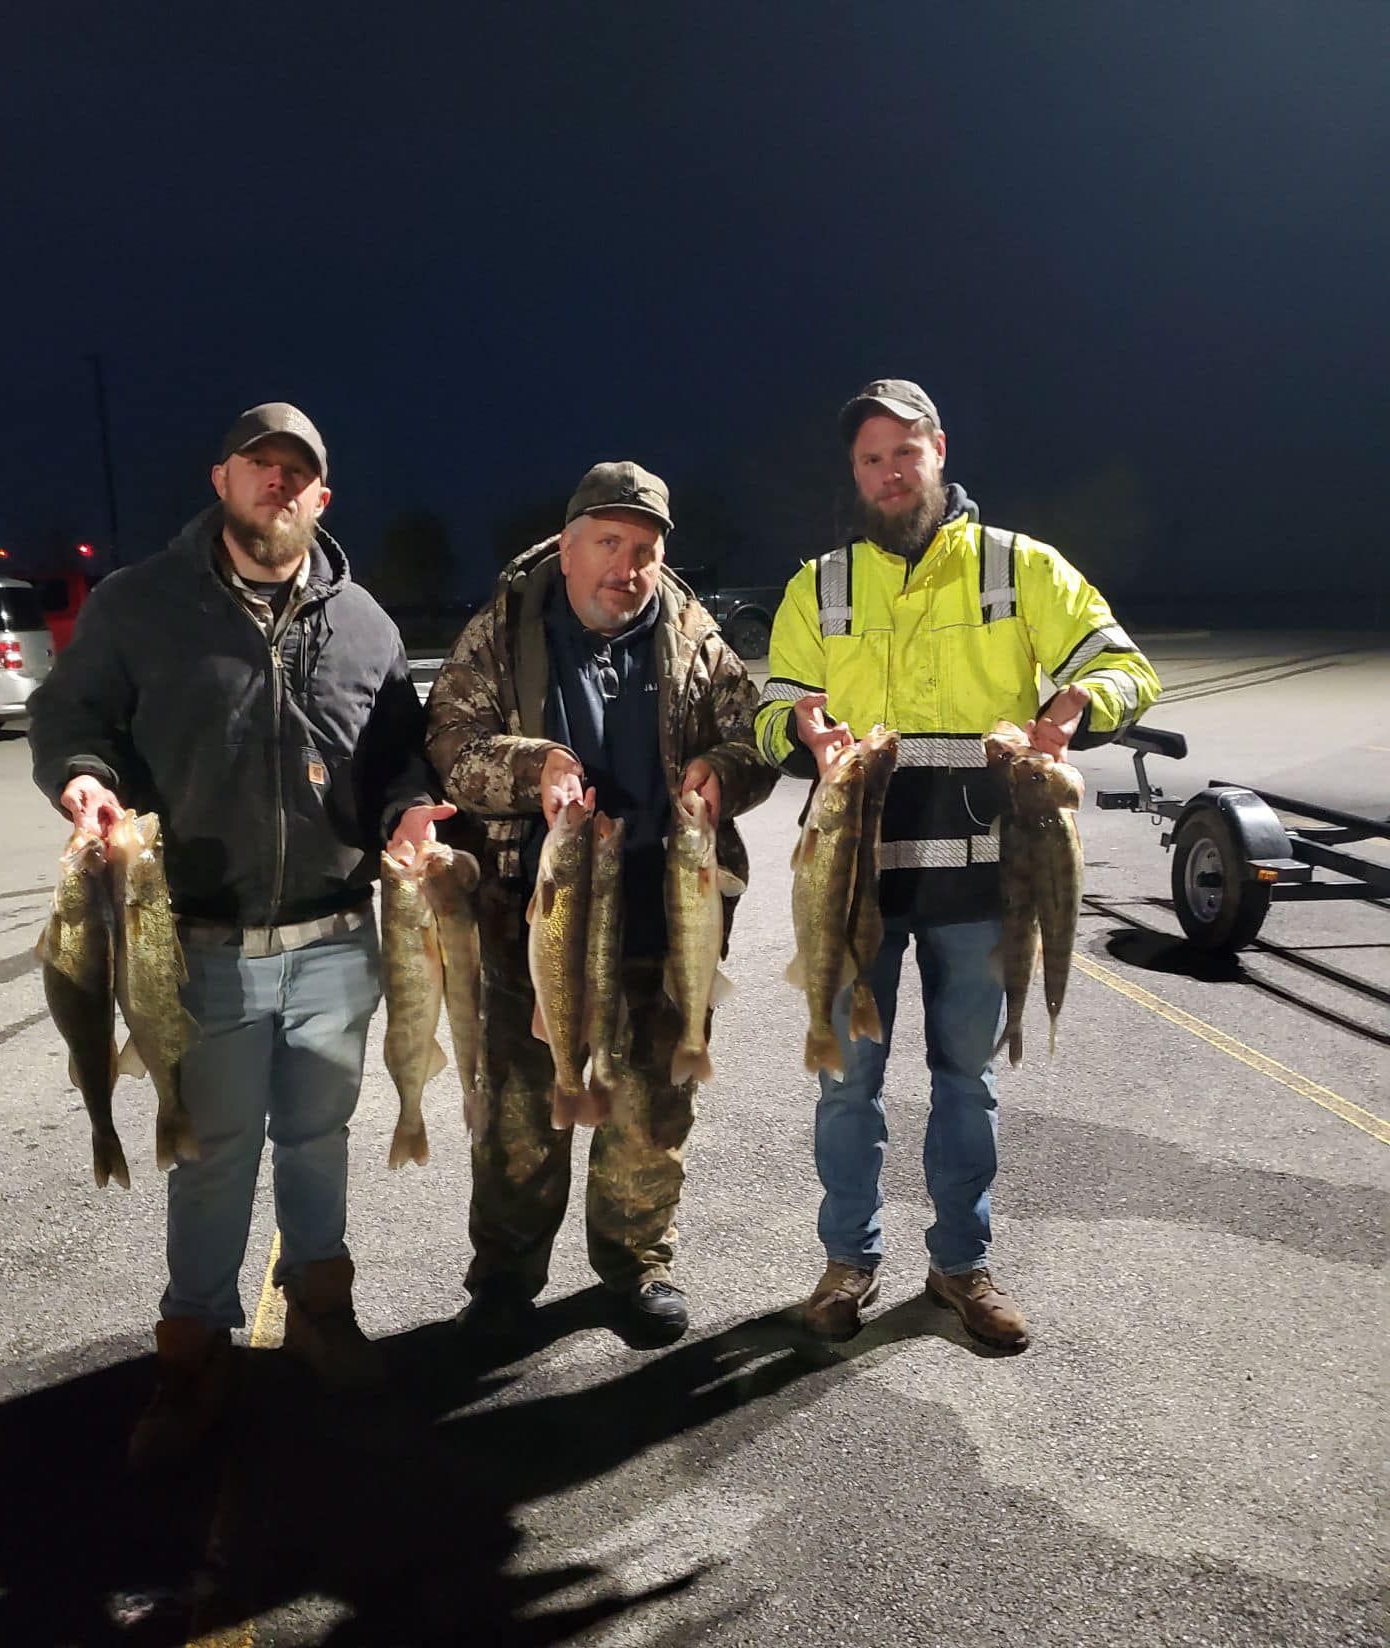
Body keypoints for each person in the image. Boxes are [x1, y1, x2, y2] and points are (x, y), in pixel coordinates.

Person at [28, 402, 446, 1463]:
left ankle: (320, 1306)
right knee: (209, 1156)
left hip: (339, 942)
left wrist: (409, 805)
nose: (276, 484)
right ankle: (193, 1347)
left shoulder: (366, 625)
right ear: (221, 479)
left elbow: (400, 749)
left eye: (295, 472)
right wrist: (84, 779)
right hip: (196, 944)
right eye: (258, 466)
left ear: (321, 497)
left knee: (316, 1141)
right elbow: (77, 721)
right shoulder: (141, 605)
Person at [755, 379, 1161, 1348]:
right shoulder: (822, 585)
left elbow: (1125, 669)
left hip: (986, 885)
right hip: (854, 884)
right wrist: (798, 731)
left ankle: (960, 1265)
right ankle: (847, 1260)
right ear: (854, 474)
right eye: (871, 460)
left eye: (906, 452)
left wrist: (1070, 711)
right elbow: (771, 711)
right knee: (845, 1081)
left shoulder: (1021, 568)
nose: (891, 474)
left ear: (940, 449)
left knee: (964, 1082)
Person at [425, 461, 774, 1343]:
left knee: (651, 1114)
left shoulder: (696, 637)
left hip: (666, 920)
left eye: (646, 550)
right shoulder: (503, 631)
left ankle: (637, 1264)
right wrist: (530, 767)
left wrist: (724, 772)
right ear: (570, 545)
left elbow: (755, 739)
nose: (628, 567)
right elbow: (450, 745)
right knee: (519, 1113)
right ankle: (504, 1278)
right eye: (611, 544)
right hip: (531, 915)